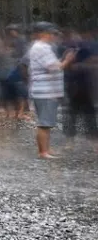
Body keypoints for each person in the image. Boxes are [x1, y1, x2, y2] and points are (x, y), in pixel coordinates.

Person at [28, 22, 76, 159]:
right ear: (44, 34)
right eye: (52, 33)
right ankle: (43, 152)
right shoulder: (41, 48)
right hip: (45, 92)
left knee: (46, 123)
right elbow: (54, 68)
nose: (54, 36)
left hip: (45, 91)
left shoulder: (42, 47)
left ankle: (46, 150)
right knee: (44, 123)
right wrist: (67, 60)